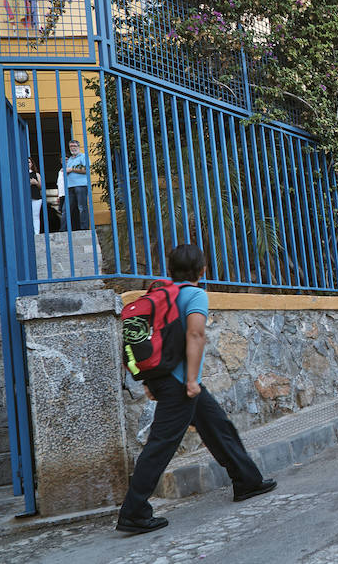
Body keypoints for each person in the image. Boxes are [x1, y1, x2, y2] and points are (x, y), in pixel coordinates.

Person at [117, 244, 277, 534]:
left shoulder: (161, 294)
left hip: (168, 379)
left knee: (218, 427)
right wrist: (191, 380)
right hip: (182, 383)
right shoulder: (194, 295)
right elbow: (195, 333)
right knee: (161, 445)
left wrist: (152, 382)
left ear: (170, 270)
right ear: (202, 271)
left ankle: (247, 481)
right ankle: (134, 511)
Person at [64, 140, 90, 231]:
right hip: (70, 187)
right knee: (67, 209)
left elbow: (86, 170)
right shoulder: (70, 159)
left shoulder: (83, 157)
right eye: (71, 146)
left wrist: (71, 169)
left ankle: (84, 228)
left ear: (79, 146)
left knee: (82, 208)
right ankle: (64, 229)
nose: (73, 148)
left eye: (74, 146)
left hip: (81, 186)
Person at [28, 157, 42, 235]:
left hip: (36, 197)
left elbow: (41, 187)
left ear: (32, 164)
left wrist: (36, 182)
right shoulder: (21, 174)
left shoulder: (36, 174)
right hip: (25, 198)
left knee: (35, 216)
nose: (28, 164)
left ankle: (36, 232)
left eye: (29, 162)